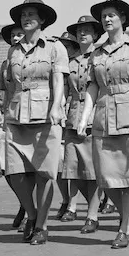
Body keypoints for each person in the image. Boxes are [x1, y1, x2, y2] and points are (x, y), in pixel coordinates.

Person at [76, 0, 129, 248]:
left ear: (122, 18)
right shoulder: (96, 53)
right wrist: (85, 116)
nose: (107, 20)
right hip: (103, 118)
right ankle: (125, 218)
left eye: (111, 15)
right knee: (105, 177)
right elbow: (92, 87)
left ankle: (125, 228)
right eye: (104, 16)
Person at [4, 0, 69, 245]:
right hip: (17, 116)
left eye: (32, 14)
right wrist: (5, 115)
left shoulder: (54, 48)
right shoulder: (13, 50)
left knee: (44, 174)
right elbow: (10, 87)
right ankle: (31, 214)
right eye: (23, 15)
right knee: (16, 173)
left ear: (42, 19)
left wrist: (56, 107)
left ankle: (41, 225)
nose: (27, 18)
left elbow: (58, 81)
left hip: (45, 116)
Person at [62, 15, 104, 234]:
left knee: (92, 170)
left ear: (96, 35)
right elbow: (66, 92)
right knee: (74, 168)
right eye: (79, 31)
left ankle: (92, 215)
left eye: (87, 30)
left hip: (94, 116)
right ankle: (81, 206)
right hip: (72, 117)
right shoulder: (70, 61)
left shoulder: (100, 57)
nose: (82, 34)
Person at [0, 23, 28, 230]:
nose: (16, 38)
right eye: (13, 35)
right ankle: (24, 203)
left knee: (30, 170)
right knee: (8, 169)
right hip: (10, 117)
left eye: (20, 34)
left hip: (32, 118)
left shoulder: (33, 60)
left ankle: (28, 210)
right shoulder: (5, 63)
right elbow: (3, 93)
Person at [55, 31, 80, 222]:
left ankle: (73, 204)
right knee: (60, 166)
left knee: (78, 165)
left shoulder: (80, 63)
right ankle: (67, 200)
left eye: (69, 46)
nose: (66, 49)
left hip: (80, 114)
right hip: (63, 117)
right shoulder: (59, 64)